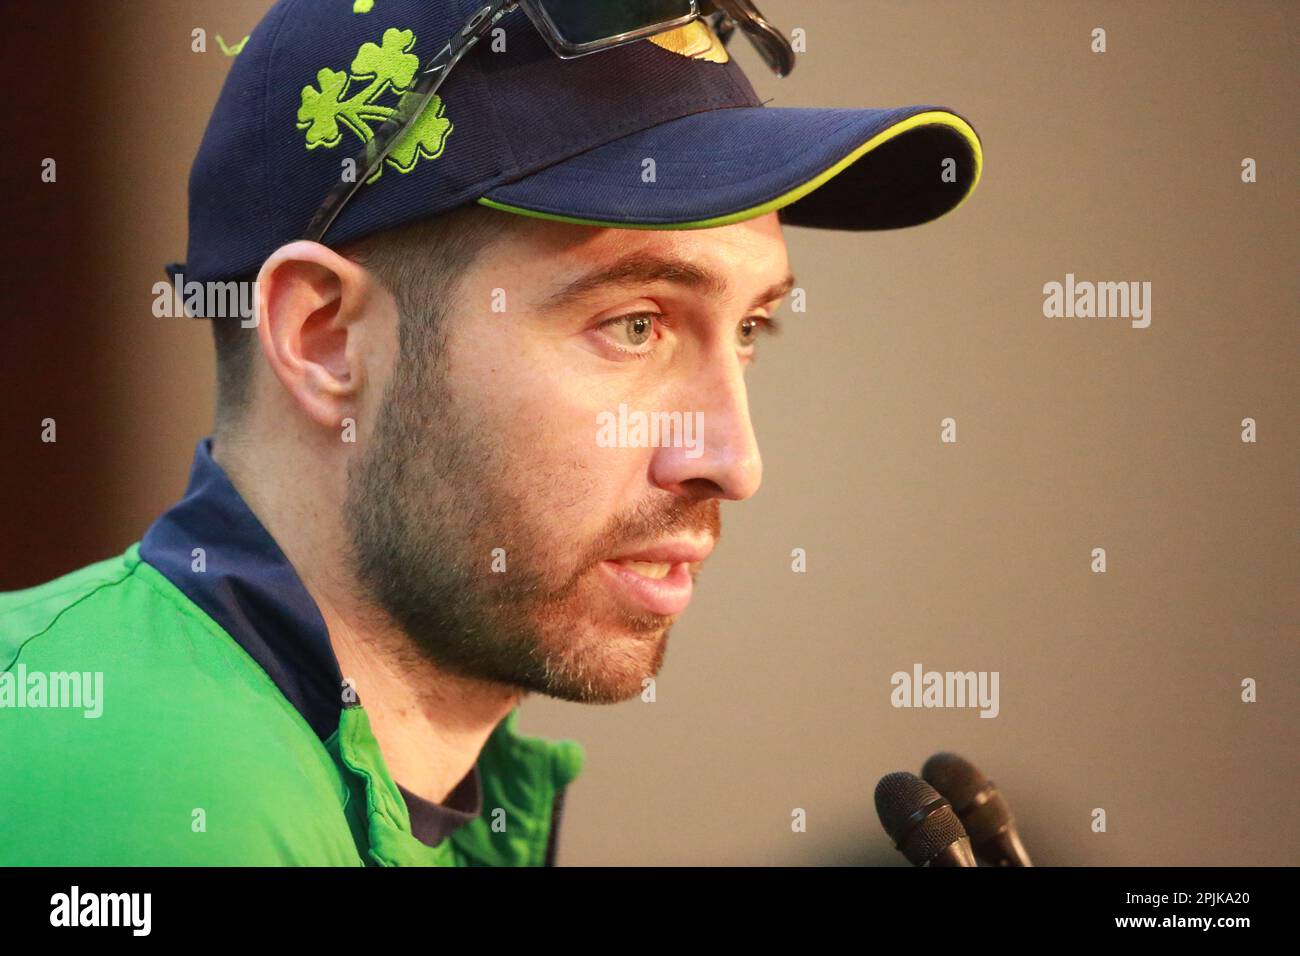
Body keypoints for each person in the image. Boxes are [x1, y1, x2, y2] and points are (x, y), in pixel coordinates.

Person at [0, 0, 981, 865]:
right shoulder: (137, 787)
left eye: (750, 328)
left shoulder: (425, 797)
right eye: (633, 324)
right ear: (324, 337)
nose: (733, 458)